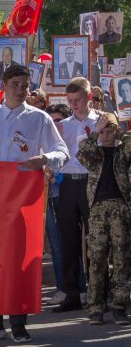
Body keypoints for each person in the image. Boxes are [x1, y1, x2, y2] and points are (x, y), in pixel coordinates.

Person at [0, 65, 69, 343]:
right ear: (4, 84)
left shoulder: (39, 119)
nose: (21, 89)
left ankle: (19, 321)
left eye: (25, 85)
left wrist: (44, 159)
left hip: (23, 200)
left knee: (20, 259)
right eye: (16, 84)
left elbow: (62, 151)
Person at [76, 112, 131, 325]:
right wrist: (95, 132)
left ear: (116, 131)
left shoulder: (122, 150)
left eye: (110, 131)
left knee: (121, 259)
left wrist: (121, 129)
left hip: (120, 208)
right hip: (98, 210)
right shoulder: (94, 151)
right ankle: (96, 306)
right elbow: (81, 154)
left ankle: (119, 306)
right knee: (96, 259)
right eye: (103, 131)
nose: (106, 135)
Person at [53, 77, 99, 314]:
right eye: (70, 101)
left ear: (88, 97)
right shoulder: (64, 125)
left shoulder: (100, 121)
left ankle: (97, 292)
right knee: (68, 239)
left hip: (93, 182)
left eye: (78, 100)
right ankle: (72, 293)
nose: (74, 105)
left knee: (96, 240)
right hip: (69, 183)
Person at [44, 103, 72, 306]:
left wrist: (59, 177)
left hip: (70, 196)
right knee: (56, 245)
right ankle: (63, 288)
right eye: (51, 121)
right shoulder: (44, 139)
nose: (55, 125)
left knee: (74, 243)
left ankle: (81, 287)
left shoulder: (72, 138)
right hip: (49, 197)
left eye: (59, 121)